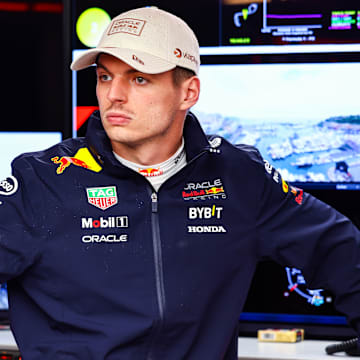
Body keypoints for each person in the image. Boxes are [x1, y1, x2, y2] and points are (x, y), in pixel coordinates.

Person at [1, 6, 360, 359]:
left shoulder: (239, 177)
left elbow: (341, 253)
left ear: (188, 93)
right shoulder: (42, 180)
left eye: (139, 79)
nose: (114, 95)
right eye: (105, 76)